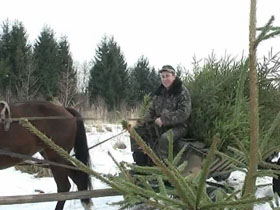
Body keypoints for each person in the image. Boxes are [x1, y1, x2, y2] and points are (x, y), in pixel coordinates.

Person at [131, 65, 192, 166]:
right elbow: (151, 110)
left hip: (179, 127)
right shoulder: (159, 92)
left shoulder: (182, 92)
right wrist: (144, 120)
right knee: (136, 130)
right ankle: (141, 163)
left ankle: (163, 168)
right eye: (162, 77)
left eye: (167, 76)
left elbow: (184, 113)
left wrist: (164, 120)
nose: (165, 79)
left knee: (165, 138)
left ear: (174, 76)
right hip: (160, 124)